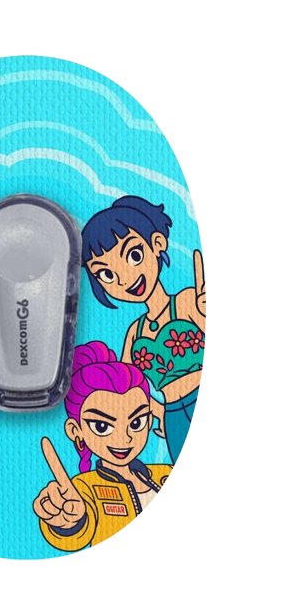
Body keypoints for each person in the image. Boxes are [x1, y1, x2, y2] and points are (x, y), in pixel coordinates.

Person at [80, 195, 205, 462]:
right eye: (106, 275)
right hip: (172, 416)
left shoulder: (187, 303)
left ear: (157, 243)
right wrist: (157, 413)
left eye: (134, 255)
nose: (124, 279)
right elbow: (128, 391)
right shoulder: (134, 334)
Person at [33, 341, 170, 553]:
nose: (124, 439)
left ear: (150, 419)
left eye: (136, 423)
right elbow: (76, 534)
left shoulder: (165, 473)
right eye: (102, 426)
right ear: (75, 430)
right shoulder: (85, 488)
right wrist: (69, 522)